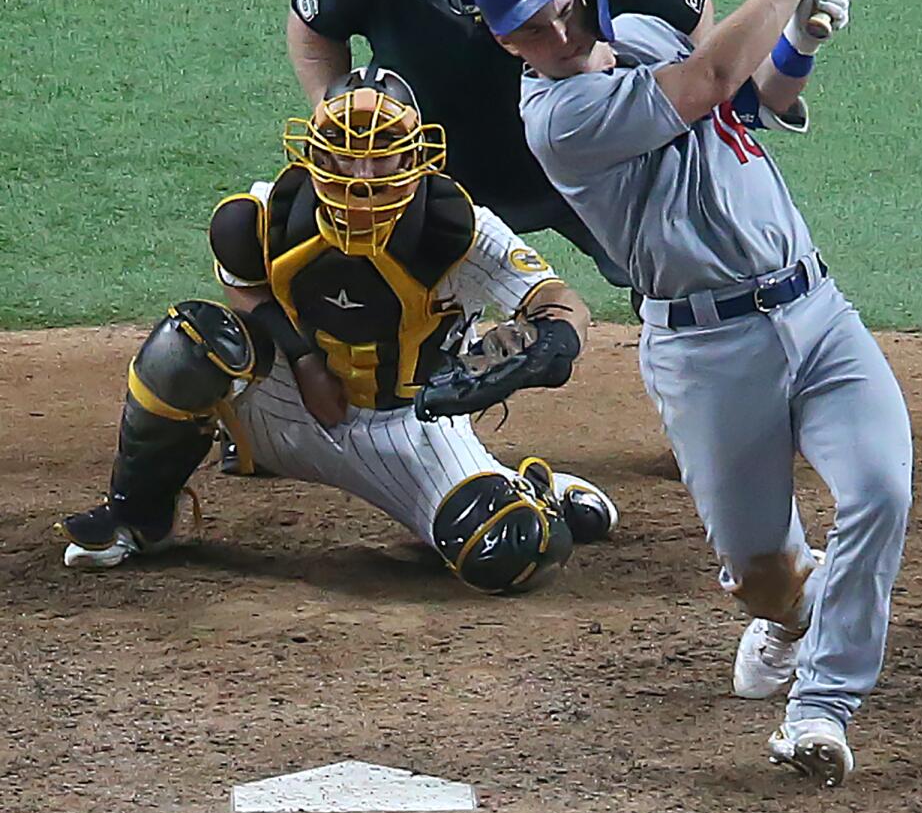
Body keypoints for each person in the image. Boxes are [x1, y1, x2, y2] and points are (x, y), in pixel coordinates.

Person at [464, 0, 912, 784]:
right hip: (708, 352)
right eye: (526, 30)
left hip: (815, 312)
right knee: (764, 574)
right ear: (502, 40)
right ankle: (786, 619)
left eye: (557, 11)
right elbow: (707, 81)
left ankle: (822, 706)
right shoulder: (558, 118)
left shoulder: (641, 34)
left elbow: (747, 100)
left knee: (880, 489)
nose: (552, 37)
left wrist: (802, 39)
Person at [56, 67, 617, 595]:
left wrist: (551, 345)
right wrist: (302, 360)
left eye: (382, 158)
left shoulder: (457, 229)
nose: (363, 178)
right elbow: (245, 286)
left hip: (410, 427)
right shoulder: (268, 214)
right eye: (346, 158)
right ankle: (137, 515)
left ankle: (531, 489)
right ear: (316, 155)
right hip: (290, 403)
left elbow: (558, 300)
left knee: (511, 554)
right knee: (187, 346)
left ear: (417, 159)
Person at [286, 0, 714, 287]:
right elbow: (311, 25)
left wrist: (664, 115)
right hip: (431, 173)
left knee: (675, 278)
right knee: (378, 292)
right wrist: (338, 115)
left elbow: (689, 11)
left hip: (577, 165)